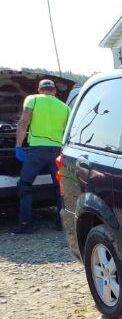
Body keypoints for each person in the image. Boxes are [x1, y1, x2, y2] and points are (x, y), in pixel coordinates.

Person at [11, 78, 69, 234]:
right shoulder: (64, 107)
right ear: (55, 91)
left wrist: (18, 145)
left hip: (37, 151)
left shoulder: (32, 99)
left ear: (39, 90)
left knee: (25, 185)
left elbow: (24, 122)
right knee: (60, 188)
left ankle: (25, 224)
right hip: (57, 151)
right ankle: (60, 223)